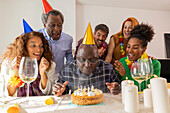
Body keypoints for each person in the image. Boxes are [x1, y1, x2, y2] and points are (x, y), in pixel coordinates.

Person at [52, 23, 120, 97]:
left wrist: (116, 88)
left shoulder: (108, 69)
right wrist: (59, 90)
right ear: (76, 58)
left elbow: (118, 86)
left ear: (98, 58)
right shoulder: (67, 70)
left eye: (92, 60)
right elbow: (62, 90)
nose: (87, 65)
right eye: (82, 60)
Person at [1, 30, 56, 97]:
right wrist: (16, 74)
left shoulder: (49, 64)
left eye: (41, 46)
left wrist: (43, 74)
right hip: (17, 105)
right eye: (33, 45)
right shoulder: (9, 63)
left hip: (40, 105)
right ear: (23, 47)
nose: (39, 50)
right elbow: (7, 95)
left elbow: (48, 93)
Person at [114, 23, 161, 91]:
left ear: (144, 49)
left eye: (135, 48)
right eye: (128, 46)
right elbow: (118, 88)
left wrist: (126, 75)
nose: (129, 51)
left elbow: (148, 88)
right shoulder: (122, 62)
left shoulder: (154, 64)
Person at [38, 9, 73, 74]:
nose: (56, 29)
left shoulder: (68, 40)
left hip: (58, 75)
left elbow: (69, 55)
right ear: (45, 25)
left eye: (59, 25)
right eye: (52, 25)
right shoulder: (36, 38)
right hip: (40, 75)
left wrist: (69, 71)